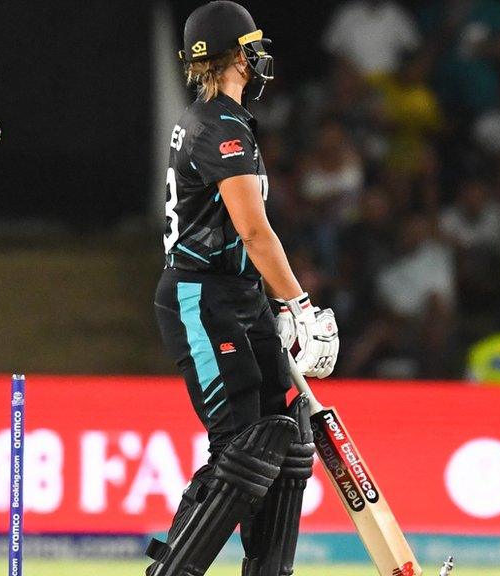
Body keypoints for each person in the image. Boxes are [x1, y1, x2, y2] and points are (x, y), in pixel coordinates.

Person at [147, 3, 339, 575]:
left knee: (289, 438)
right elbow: (254, 231)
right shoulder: (221, 128)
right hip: (200, 298)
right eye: (251, 46)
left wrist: (268, 301)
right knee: (242, 447)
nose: (259, 57)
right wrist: (298, 303)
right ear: (235, 55)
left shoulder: (214, 118)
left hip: (235, 294)